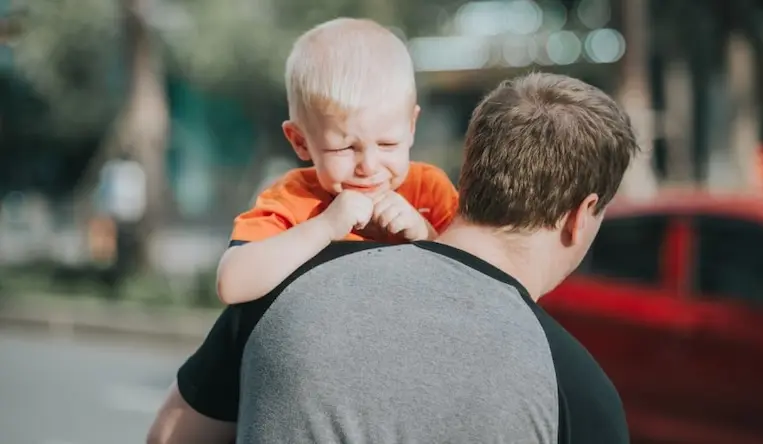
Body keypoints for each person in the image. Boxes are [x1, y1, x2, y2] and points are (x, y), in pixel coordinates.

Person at [147, 71, 639, 444]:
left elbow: (169, 435)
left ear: (468, 174)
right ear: (582, 214)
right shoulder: (578, 392)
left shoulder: (288, 285)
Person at [216, 18, 459, 305]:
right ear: (300, 141)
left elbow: (476, 284)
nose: (368, 166)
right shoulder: (293, 199)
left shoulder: (429, 191)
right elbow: (232, 285)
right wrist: (326, 226)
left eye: (387, 144)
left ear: (411, 127)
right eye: (344, 148)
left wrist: (424, 234)